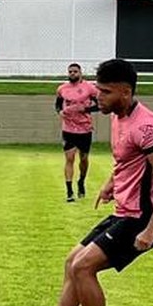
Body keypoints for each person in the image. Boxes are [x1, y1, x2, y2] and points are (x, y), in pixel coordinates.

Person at [18, 58, 153, 306]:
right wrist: (111, 183)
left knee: (83, 268)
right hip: (125, 212)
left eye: (105, 92)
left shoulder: (145, 126)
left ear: (124, 91)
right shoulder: (119, 115)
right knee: (72, 262)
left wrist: (152, 227)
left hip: (141, 220)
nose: (98, 97)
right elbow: (129, 160)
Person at [55, 63, 99, 202]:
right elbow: (57, 104)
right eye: (70, 72)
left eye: (75, 71)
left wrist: (85, 110)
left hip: (84, 128)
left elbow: (100, 105)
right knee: (69, 159)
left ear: (80, 73)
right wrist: (60, 112)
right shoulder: (62, 88)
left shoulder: (89, 88)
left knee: (84, 159)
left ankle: (81, 182)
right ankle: (69, 192)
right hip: (68, 128)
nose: (72, 74)